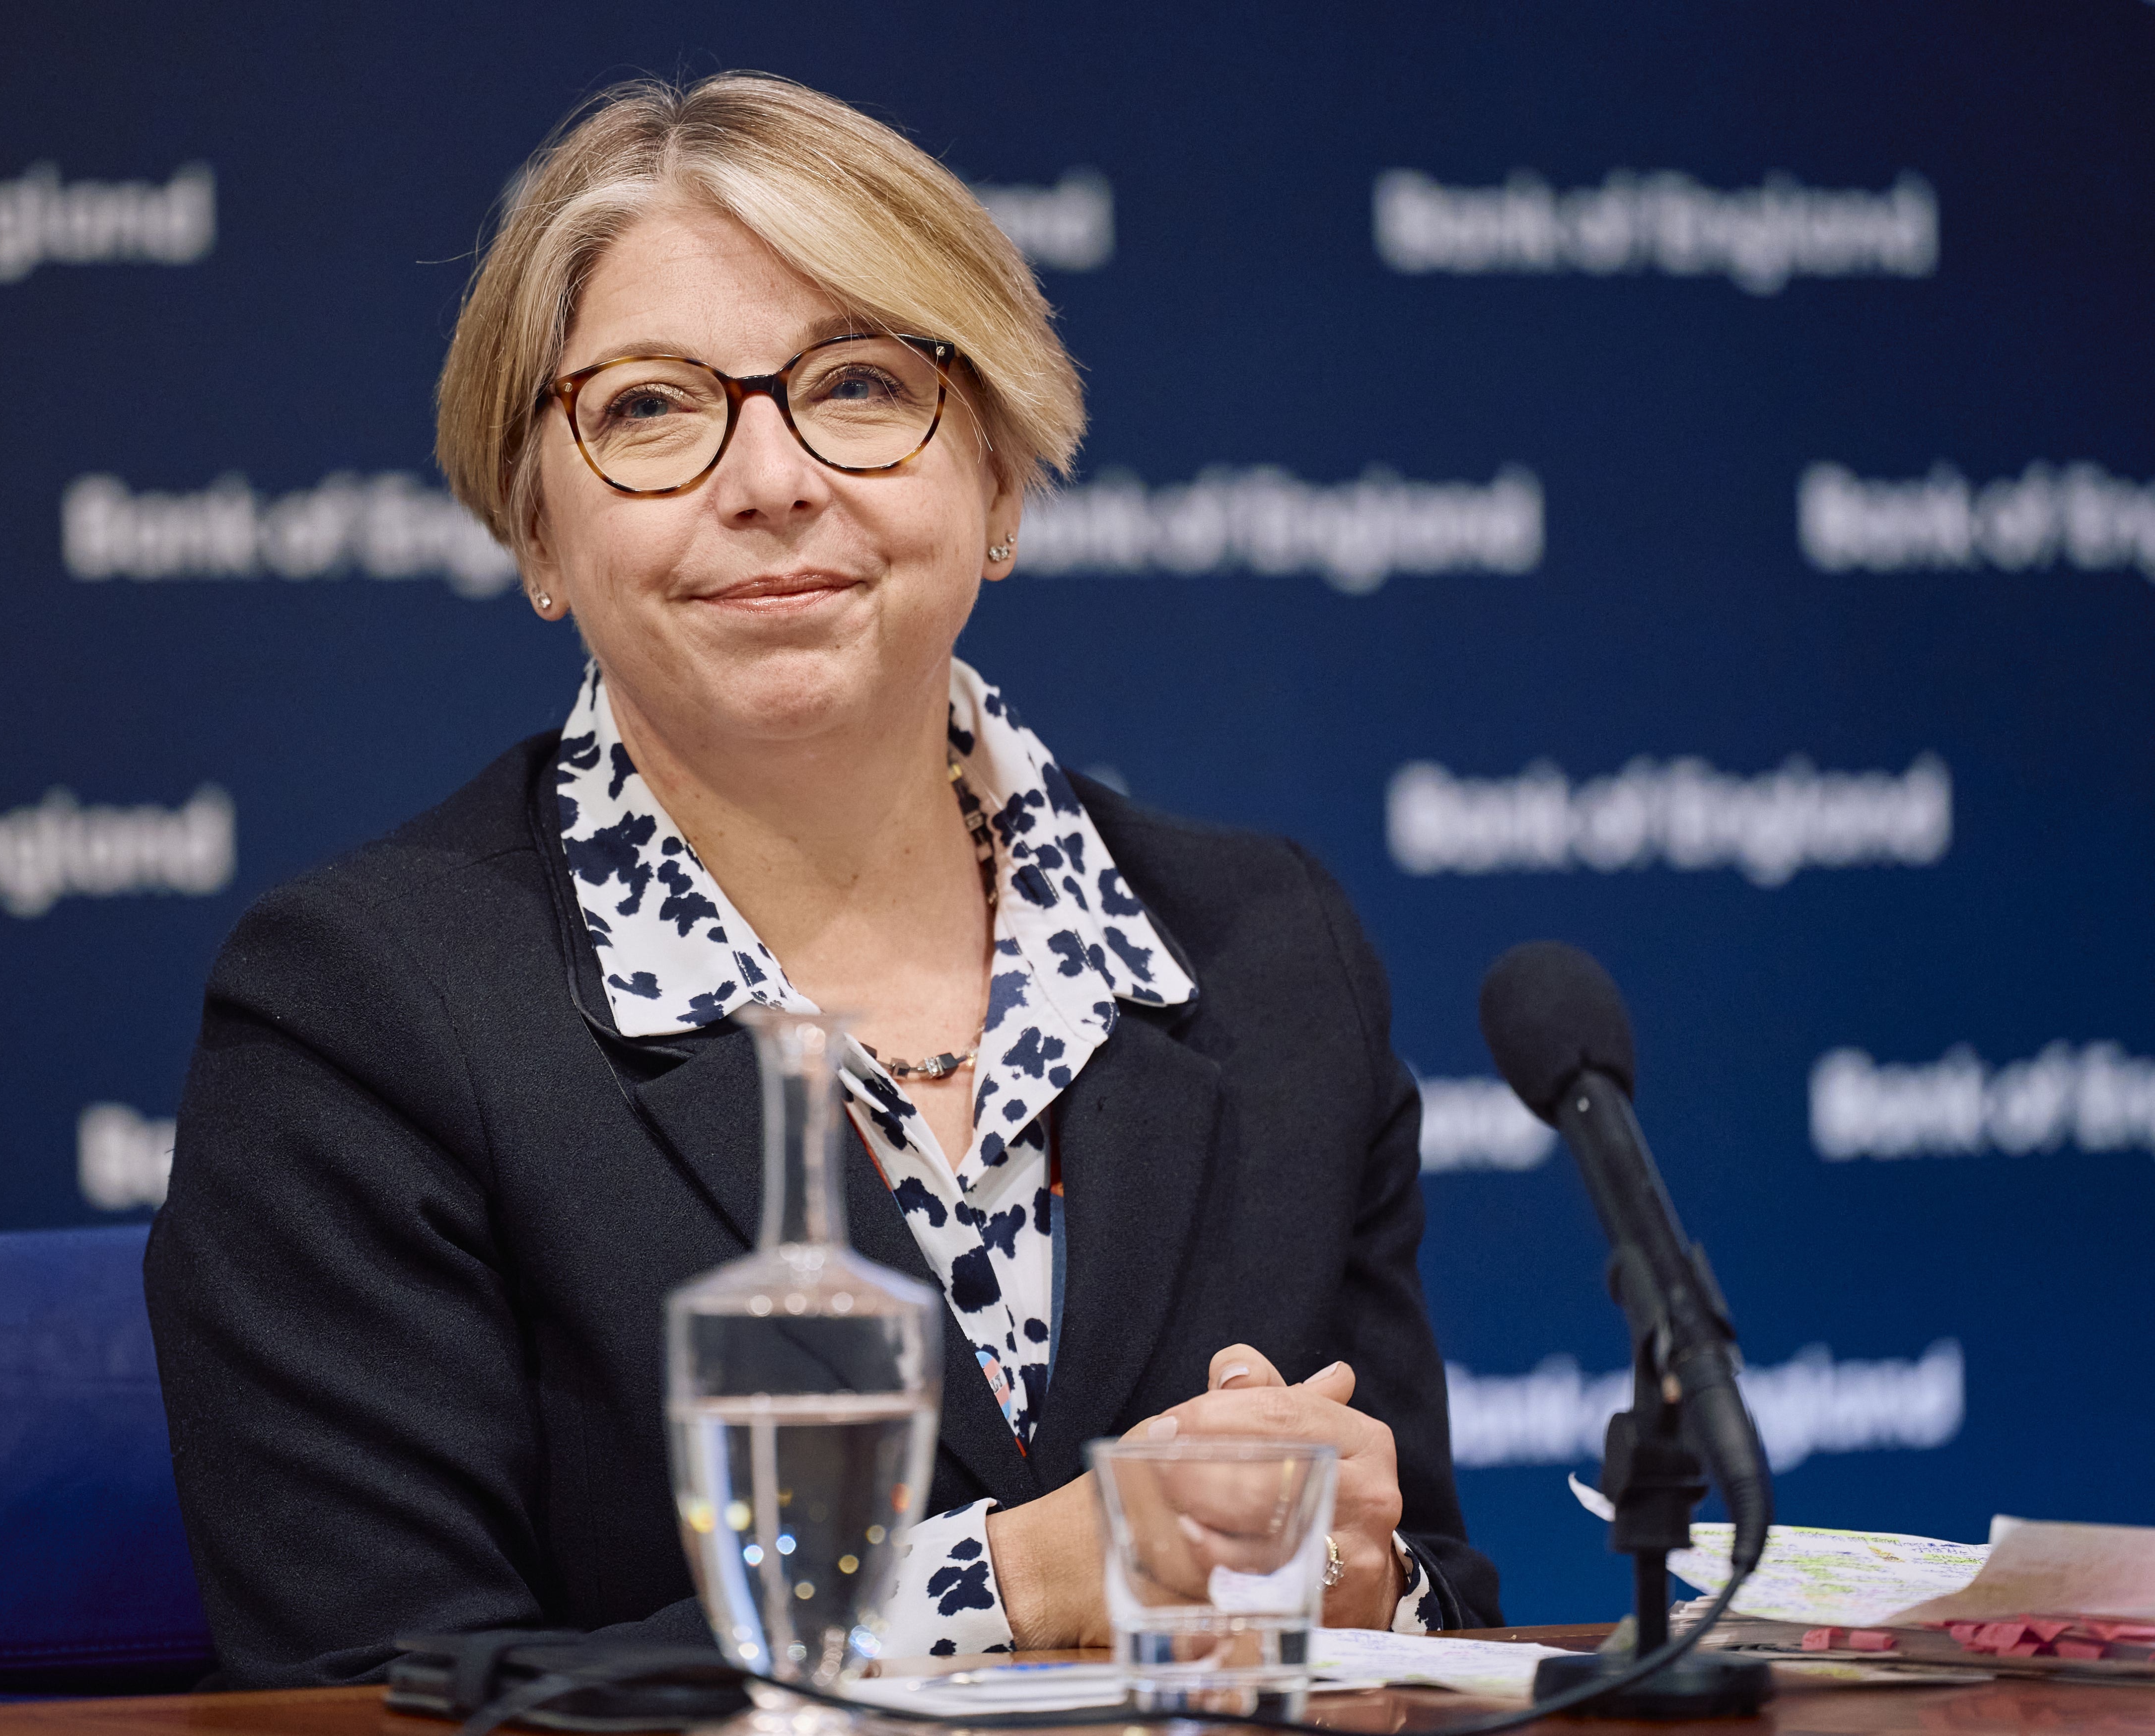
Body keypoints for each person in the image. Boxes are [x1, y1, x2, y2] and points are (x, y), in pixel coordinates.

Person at [144, 71, 1503, 1689]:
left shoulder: (1268, 953)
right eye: (650, 408)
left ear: (997, 483)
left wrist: (1371, 1576)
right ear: (536, 531)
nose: (771, 477)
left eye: (859, 384)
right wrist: (1015, 1578)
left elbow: (1438, 1584)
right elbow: (367, 1696)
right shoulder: (361, 1010)